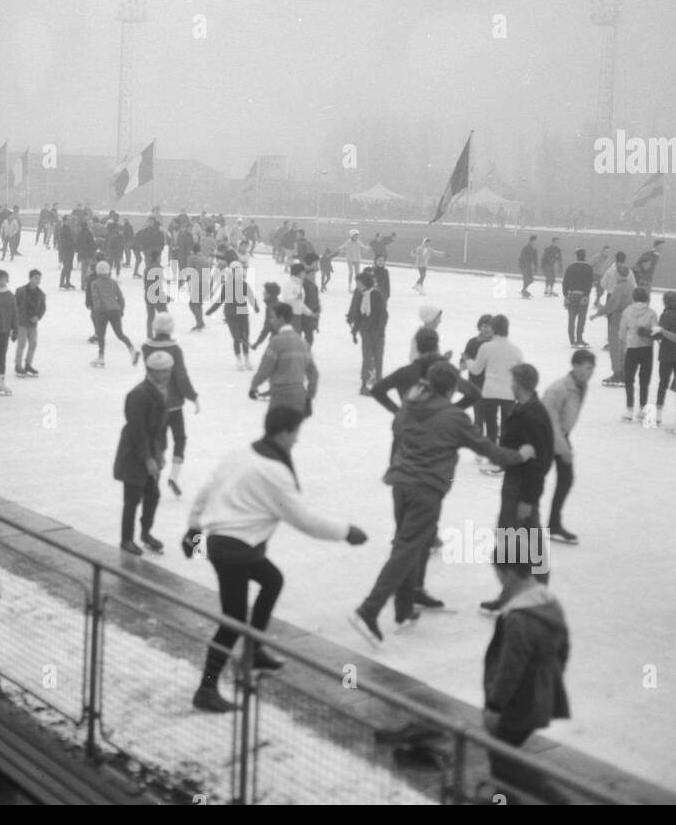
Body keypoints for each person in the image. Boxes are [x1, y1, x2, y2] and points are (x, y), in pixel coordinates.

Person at [184, 405, 368, 711]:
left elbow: (206, 489)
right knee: (232, 621)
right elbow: (303, 520)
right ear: (283, 433)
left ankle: (253, 650)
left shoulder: (241, 453)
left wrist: (193, 528)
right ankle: (206, 689)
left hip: (229, 543)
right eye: (295, 432)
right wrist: (346, 532)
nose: (297, 439)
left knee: (272, 580)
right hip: (235, 550)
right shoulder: (273, 471)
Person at [351, 362, 533, 642]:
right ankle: (368, 609)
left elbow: (397, 429)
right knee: (407, 549)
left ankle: (403, 610)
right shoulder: (454, 416)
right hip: (427, 488)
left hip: (401, 483)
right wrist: (519, 456)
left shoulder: (410, 406)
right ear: (452, 388)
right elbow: (488, 450)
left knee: (410, 545)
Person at [482, 553, 571, 804]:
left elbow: (511, 667)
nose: (498, 578)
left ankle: (555, 799)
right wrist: (549, 681)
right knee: (504, 755)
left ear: (509, 572)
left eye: (498, 572)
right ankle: (504, 799)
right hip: (542, 693)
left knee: (501, 756)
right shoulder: (548, 600)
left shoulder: (518, 616)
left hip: (518, 701)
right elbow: (563, 647)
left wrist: (495, 706)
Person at [479, 363, 555, 614]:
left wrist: (528, 500)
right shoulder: (524, 408)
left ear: (519, 384)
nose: (510, 384)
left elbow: (541, 463)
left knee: (526, 544)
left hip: (521, 488)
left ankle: (532, 595)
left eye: (512, 381)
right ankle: (515, 593)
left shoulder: (533, 415)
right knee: (515, 542)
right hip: (514, 484)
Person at [113, 351, 173, 556]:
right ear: (149, 371)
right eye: (159, 372)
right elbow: (137, 430)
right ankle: (126, 539)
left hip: (151, 451)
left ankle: (146, 533)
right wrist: (147, 458)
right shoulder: (139, 394)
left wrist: (161, 453)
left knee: (152, 495)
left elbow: (162, 428)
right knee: (132, 498)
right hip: (134, 453)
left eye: (166, 371)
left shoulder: (162, 391)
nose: (164, 375)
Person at [142, 313, 200, 497]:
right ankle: (174, 476)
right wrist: (193, 396)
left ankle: (153, 480)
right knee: (180, 438)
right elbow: (181, 377)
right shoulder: (175, 350)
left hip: (153, 402)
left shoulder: (146, 347)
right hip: (174, 404)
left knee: (159, 442)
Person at [542, 350, 596, 546]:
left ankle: (553, 524)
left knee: (566, 479)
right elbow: (549, 422)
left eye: (592, 369)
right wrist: (563, 449)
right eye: (587, 368)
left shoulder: (581, 386)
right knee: (535, 482)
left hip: (561, 435)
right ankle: (520, 527)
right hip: (544, 437)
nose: (591, 372)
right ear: (575, 366)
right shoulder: (559, 389)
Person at [466, 315, 522, 459]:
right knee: (506, 427)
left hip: (490, 392)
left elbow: (476, 370)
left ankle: (492, 458)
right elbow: (520, 372)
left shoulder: (486, 347)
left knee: (491, 427)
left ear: (494, 328)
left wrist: (468, 361)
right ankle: (503, 457)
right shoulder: (515, 350)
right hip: (509, 393)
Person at [250, 303, 317, 415]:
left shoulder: (276, 342)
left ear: (281, 318)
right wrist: (309, 396)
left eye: (273, 317)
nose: (271, 321)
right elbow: (313, 373)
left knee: (277, 430)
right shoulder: (303, 343)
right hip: (299, 398)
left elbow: (265, 369)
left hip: (280, 397)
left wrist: (254, 386)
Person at [592, 253, 635, 386]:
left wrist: (597, 314)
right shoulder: (631, 287)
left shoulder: (617, 288)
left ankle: (618, 374)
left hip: (617, 318)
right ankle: (625, 373)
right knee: (624, 346)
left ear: (618, 275)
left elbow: (611, 305)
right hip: (629, 318)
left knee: (615, 347)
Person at [206, 259, 258, 370]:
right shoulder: (228, 285)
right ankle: (240, 360)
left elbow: (251, 297)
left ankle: (247, 359)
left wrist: (256, 307)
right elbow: (220, 300)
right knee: (237, 338)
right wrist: (210, 311)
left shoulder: (244, 285)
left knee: (244, 337)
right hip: (231, 315)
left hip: (241, 313)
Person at [86, 260, 139, 369]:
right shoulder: (113, 282)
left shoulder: (95, 283)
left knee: (101, 335)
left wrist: (96, 312)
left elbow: (96, 299)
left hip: (103, 311)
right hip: (115, 310)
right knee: (120, 334)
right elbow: (121, 298)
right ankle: (132, 350)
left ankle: (101, 357)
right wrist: (121, 310)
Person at [618, 287, 658, 422]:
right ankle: (642, 409)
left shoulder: (627, 311)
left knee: (629, 379)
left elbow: (622, 331)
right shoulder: (651, 313)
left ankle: (629, 409)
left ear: (633, 298)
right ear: (647, 298)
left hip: (632, 347)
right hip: (646, 348)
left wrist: (626, 339)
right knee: (644, 380)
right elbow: (655, 332)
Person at [347, 267, 388, 395]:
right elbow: (358, 315)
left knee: (378, 357)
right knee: (366, 358)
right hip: (365, 332)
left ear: (366, 283)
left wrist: (381, 329)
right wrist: (354, 331)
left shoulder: (376, 295)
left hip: (377, 331)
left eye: (359, 283)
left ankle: (378, 383)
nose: (358, 286)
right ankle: (364, 385)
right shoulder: (360, 295)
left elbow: (384, 314)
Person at [651, 289, 676, 429]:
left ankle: (658, 414)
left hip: (666, 354)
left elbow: (659, 334)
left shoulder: (665, 316)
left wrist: (650, 334)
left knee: (663, 383)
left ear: (665, 302)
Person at [13, 268, 46, 378]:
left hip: (32, 324)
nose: (38, 281)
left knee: (33, 344)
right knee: (21, 344)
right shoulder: (20, 291)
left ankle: (28, 364)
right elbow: (15, 306)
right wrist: (16, 319)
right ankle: (18, 365)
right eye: (36, 278)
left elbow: (42, 308)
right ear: (30, 278)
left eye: (39, 279)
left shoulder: (41, 294)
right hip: (22, 322)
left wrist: (38, 317)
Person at [561, 248, 593, 348]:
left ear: (576, 256)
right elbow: (589, 283)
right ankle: (579, 338)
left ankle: (572, 340)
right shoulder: (588, 268)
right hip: (583, 294)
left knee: (571, 318)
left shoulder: (571, 267)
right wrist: (586, 295)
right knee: (581, 319)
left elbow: (565, 282)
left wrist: (565, 295)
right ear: (585, 256)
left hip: (572, 294)